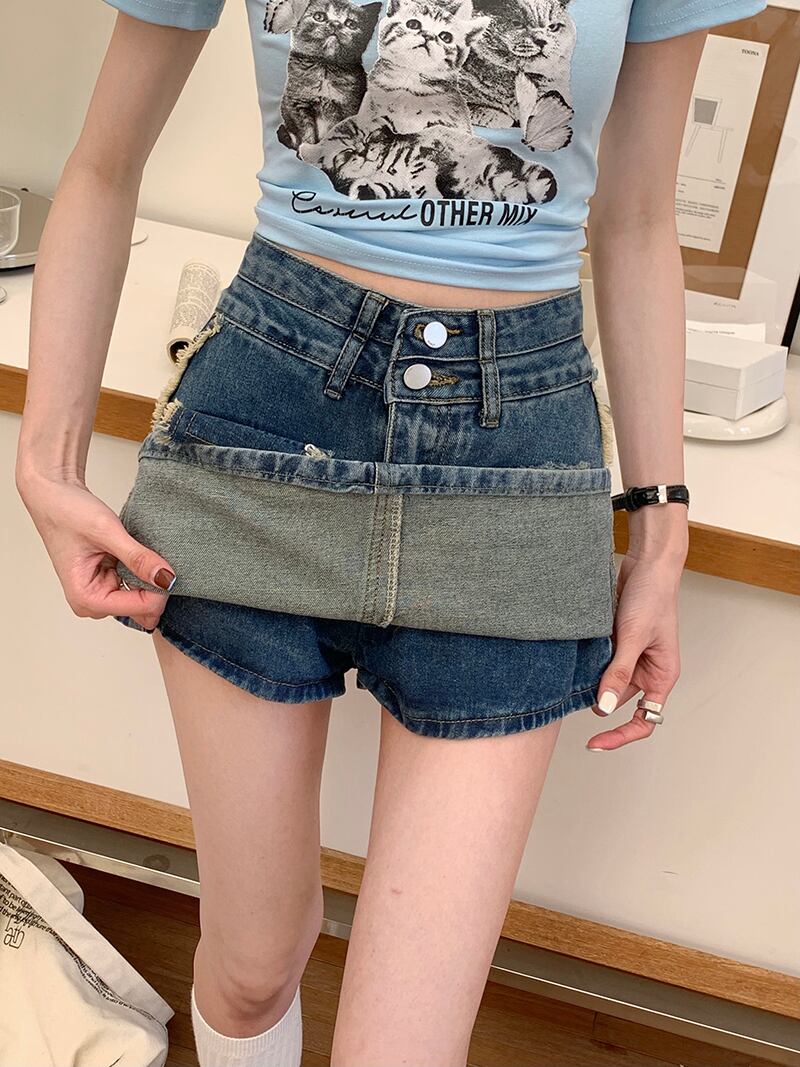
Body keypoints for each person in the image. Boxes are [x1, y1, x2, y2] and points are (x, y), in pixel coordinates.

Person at [16, 0, 764, 1062]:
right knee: (252, 963)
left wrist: (660, 533)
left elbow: (639, 218)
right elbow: (101, 165)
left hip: (517, 449)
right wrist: (45, 466)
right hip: (269, 405)